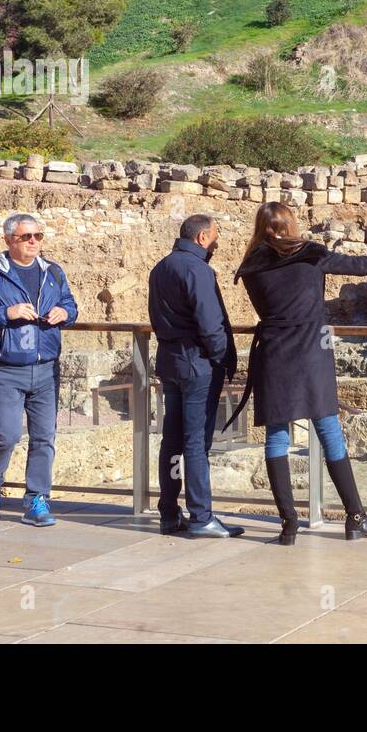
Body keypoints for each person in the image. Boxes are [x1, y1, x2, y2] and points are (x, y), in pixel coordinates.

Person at [231, 202, 367, 544]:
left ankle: (289, 524)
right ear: (290, 225)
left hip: (274, 354)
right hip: (310, 351)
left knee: (277, 437)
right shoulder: (310, 253)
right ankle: (355, 518)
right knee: (329, 430)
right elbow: (357, 266)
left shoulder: (250, 265)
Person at [0, 213, 79, 527]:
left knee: (44, 438)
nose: (34, 242)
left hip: (46, 369)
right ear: (9, 239)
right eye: (27, 237)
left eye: (38, 236)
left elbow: (72, 305)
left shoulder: (53, 272)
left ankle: (37, 500)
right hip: (6, 369)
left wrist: (64, 312)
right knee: (6, 435)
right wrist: (6, 313)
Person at [148, 214, 242, 538]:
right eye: (215, 236)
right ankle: (201, 516)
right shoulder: (197, 269)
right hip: (197, 364)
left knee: (172, 439)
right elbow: (210, 323)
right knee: (195, 443)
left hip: (170, 362)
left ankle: (169, 514)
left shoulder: (160, 268)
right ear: (202, 237)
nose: (217, 242)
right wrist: (219, 358)